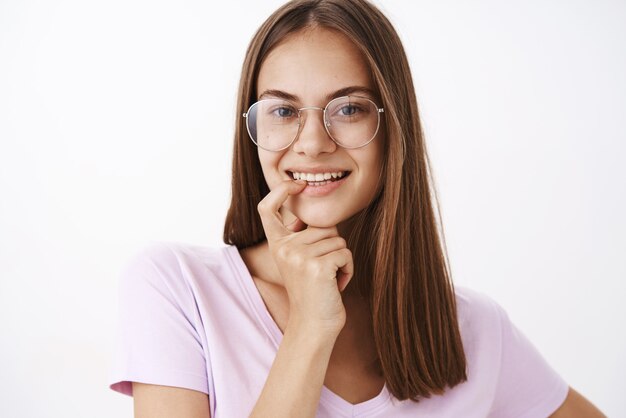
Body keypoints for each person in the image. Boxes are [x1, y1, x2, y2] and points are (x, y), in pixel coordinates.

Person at [109, 0, 606, 416]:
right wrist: (310, 328)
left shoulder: (471, 328)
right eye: (283, 111)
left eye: (348, 109)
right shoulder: (178, 287)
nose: (311, 143)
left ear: (394, 127)